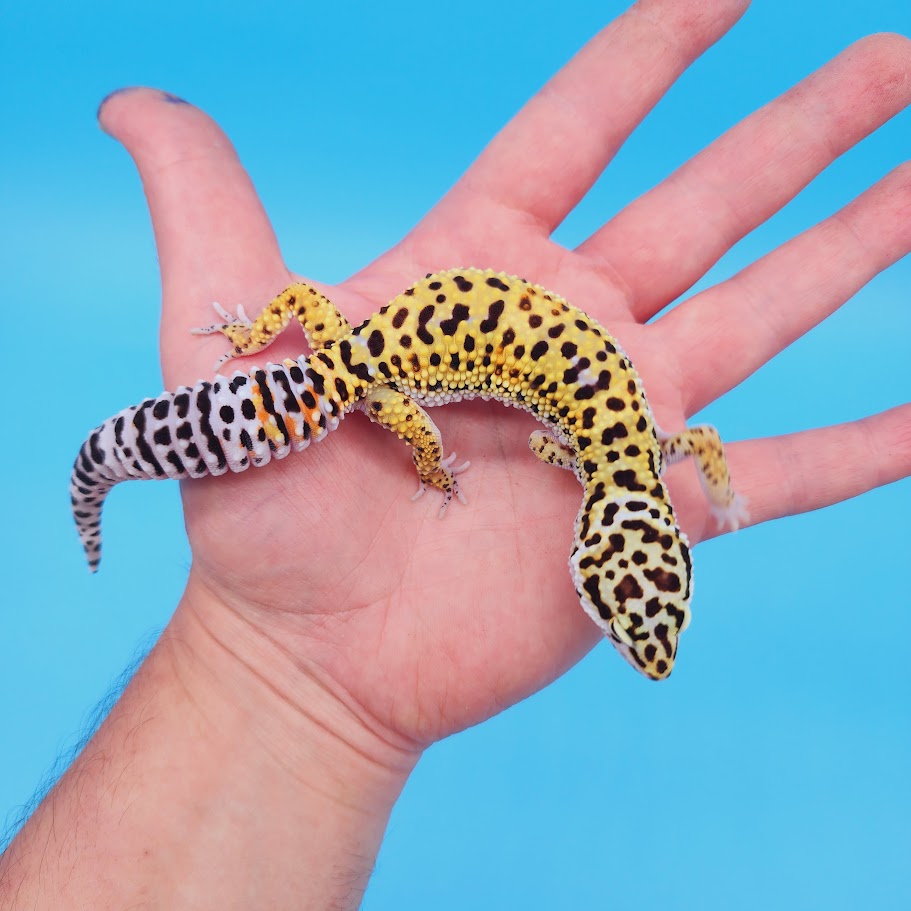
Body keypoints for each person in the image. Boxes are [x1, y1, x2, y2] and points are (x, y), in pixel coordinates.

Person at [2, 0, 909, 906]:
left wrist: (259, 339)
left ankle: (115, 463)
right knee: (416, 438)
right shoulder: (610, 454)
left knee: (368, 409)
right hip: (385, 375)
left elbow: (623, 442)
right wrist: (438, 469)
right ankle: (107, 470)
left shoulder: (635, 450)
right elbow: (610, 445)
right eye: (639, 618)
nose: (641, 639)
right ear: (626, 542)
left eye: (630, 621)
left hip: (376, 345)